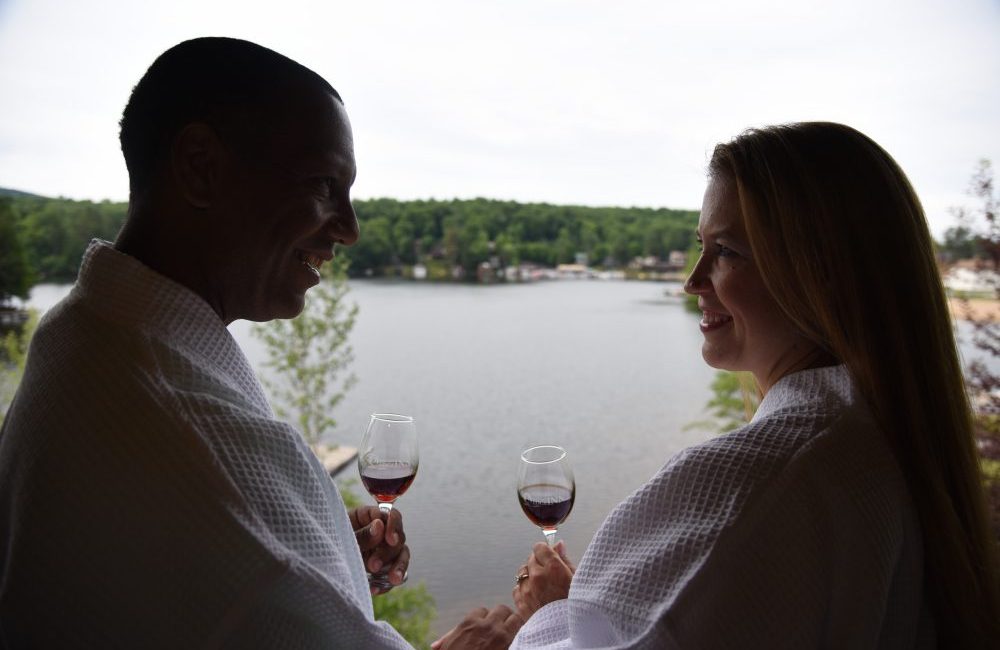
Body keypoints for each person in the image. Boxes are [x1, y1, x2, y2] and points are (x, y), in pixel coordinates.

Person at [436, 122, 1000, 649]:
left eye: (726, 251)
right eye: (700, 246)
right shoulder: (882, 433)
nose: (691, 281)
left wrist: (549, 616)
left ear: (817, 271)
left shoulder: (753, 484)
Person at [0, 37, 424, 648]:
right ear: (201, 166)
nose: (350, 229)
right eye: (324, 184)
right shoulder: (195, 431)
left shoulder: (80, 335)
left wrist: (322, 560)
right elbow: (240, 529)